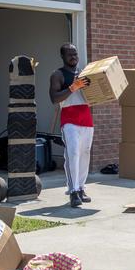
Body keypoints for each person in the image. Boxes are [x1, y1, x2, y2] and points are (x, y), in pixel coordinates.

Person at [50, 43, 92, 207]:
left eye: (75, 54)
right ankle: (73, 191)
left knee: (85, 153)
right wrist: (73, 87)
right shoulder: (58, 75)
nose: (73, 57)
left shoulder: (85, 74)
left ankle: (81, 188)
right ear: (63, 56)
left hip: (86, 117)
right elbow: (54, 98)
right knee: (73, 153)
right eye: (70, 54)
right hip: (69, 118)